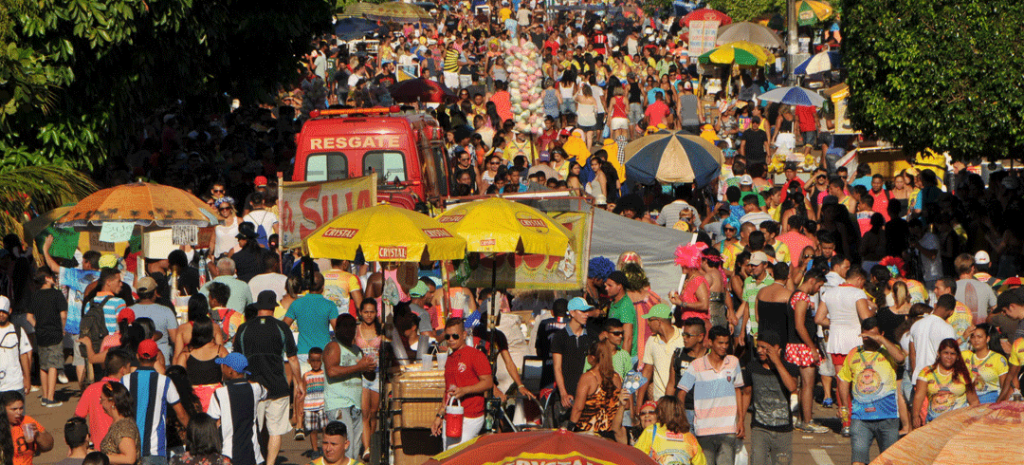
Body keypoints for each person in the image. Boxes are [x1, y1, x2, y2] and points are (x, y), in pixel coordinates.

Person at [233, 291, 301, 465]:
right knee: (275, 431)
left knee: (255, 429)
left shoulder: (244, 328)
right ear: (273, 307)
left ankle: (257, 459)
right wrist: (299, 383)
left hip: (252, 386)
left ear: (258, 307)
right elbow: (292, 358)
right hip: (277, 386)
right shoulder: (282, 327)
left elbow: (237, 361)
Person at [837, 318, 904, 465]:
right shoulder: (854, 353)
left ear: (881, 334)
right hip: (861, 418)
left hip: (888, 416)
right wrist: (843, 406)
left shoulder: (888, 350)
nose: (870, 340)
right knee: (858, 460)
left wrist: (880, 339)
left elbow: (900, 358)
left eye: (875, 335)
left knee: (888, 461)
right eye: (867, 336)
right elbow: (843, 380)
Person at [676, 326, 744, 465]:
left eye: (726, 343)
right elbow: (681, 393)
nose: (724, 347)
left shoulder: (733, 362)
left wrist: (741, 419)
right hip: (703, 429)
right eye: (720, 343)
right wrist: (681, 417)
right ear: (710, 343)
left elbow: (738, 390)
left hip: (728, 429)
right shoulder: (696, 365)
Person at [121, 340, 190, 465]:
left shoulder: (125, 380)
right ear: (157, 357)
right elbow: (181, 415)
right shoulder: (165, 382)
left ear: (137, 356)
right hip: (155, 450)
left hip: (129, 448)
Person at [431, 318, 493, 448]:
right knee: (448, 455)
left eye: (455, 335)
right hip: (451, 414)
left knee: (456, 453)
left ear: (464, 335)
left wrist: (465, 390)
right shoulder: (449, 359)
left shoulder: (475, 355)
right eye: (447, 336)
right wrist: (440, 415)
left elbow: (488, 383)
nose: (451, 339)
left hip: (470, 415)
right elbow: (448, 391)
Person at [741, 331, 799, 465]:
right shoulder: (752, 367)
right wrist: (741, 420)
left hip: (783, 430)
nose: (760, 351)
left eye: (765, 348)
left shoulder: (790, 368)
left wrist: (777, 363)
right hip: (759, 428)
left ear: (778, 349)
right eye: (759, 346)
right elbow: (747, 393)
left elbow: (792, 387)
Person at [784, 269, 830, 434]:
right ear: (812, 280)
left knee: (802, 385)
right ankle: (807, 420)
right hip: (802, 346)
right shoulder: (802, 297)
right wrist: (812, 347)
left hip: (794, 344)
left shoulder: (794, 294)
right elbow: (799, 325)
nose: (818, 290)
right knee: (808, 385)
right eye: (819, 286)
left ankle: (801, 417)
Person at [323, 314, 372, 461]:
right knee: (343, 448)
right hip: (339, 404)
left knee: (354, 448)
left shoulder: (357, 350)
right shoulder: (333, 346)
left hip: (355, 404)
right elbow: (331, 371)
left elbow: (366, 375)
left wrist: (369, 368)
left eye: (352, 325)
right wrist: (359, 366)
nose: (349, 329)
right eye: (344, 325)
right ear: (336, 329)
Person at [207, 353, 265, 465]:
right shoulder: (256, 389)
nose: (222, 368)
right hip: (254, 453)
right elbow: (265, 392)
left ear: (231, 370)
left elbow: (211, 422)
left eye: (224, 365)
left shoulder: (219, 393)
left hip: (228, 454)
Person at [913, 338, 979, 426]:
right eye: (946, 353)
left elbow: (974, 401)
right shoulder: (926, 372)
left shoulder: (964, 373)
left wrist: (977, 419)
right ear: (939, 354)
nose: (949, 356)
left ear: (957, 356)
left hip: (960, 423)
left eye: (953, 354)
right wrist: (915, 416)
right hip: (934, 423)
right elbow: (919, 396)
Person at [25, 269, 67, 407]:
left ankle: (44, 396)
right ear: (47, 278)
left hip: (41, 333)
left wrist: (38, 326)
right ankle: (50, 397)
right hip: (54, 332)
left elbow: (29, 317)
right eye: (53, 277)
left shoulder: (35, 296)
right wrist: (63, 328)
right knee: (53, 364)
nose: (54, 278)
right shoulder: (57, 294)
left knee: (43, 366)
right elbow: (63, 315)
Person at [551, 298, 596, 426]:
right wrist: (563, 393)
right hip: (568, 395)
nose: (586, 314)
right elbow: (557, 368)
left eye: (587, 311)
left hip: (588, 394)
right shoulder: (560, 337)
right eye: (582, 311)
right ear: (572, 312)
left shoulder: (592, 336)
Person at [75, 350, 131, 449]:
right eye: (128, 367)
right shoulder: (125, 389)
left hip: (98, 449)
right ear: (123, 370)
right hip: (123, 447)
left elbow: (77, 418)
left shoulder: (91, 389)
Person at [570, 341, 625, 441]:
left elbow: (578, 408)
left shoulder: (588, 377)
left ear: (592, 357)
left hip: (588, 433)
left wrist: (570, 427)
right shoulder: (616, 377)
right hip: (610, 433)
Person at [283, 272, 338, 372]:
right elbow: (338, 330)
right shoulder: (330, 305)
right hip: (323, 353)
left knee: (303, 385)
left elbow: (283, 327)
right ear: (323, 287)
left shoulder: (297, 303)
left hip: (303, 353)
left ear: (307, 286)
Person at [633, 396, 707, 465]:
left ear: (661, 412)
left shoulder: (652, 431)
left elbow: (635, 456)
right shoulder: (690, 437)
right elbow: (701, 463)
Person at [638, 304, 686, 408]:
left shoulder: (683, 337)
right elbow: (647, 371)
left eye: (650, 320)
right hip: (659, 402)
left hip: (680, 401)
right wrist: (639, 402)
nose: (648, 324)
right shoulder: (651, 341)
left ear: (659, 322)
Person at [129, 277, 179, 365]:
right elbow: (175, 339)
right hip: (162, 360)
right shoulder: (166, 311)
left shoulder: (129, 311)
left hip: (136, 360)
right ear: (155, 292)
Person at [961, 324, 1007, 404]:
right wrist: (963, 338)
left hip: (991, 400)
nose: (976, 340)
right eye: (973, 337)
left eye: (979, 337)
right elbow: (947, 350)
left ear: (987, 339)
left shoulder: (998, 359)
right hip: (969, 401)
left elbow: (1005, 387)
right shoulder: (965, 355)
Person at [97, 383, 139, 465]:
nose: (100, 403)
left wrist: (100, 457)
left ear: (112, 402)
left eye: (102, 399)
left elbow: (130, 458)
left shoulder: (124, 426)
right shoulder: (119, 423)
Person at [0, 297, 30, 398]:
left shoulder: (18, 331)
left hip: (15, 383)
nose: (1, 314)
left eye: (4, 311)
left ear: (10, 311)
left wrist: (27, 378)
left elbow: (24, 355)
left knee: (17, 412)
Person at [301, 348, 328, 456]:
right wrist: (300, 409)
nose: (315, 363)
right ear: (309, 361)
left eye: (318, 360)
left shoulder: (325, 374)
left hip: (323, 405)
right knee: (313, 430)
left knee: (325, 428)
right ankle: (315, 450)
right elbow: (302, 392)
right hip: (309, 407)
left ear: (322, 360)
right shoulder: (306, 375)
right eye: (313, 360)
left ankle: (326, 448)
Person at [605, 271, 637, 357]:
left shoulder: (625, 306)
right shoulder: (614, 303)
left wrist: (623, 361)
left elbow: (628, 338)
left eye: (610, 286)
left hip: (623, 357)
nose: (606, 288)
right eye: (606, 285)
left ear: (619, 287)